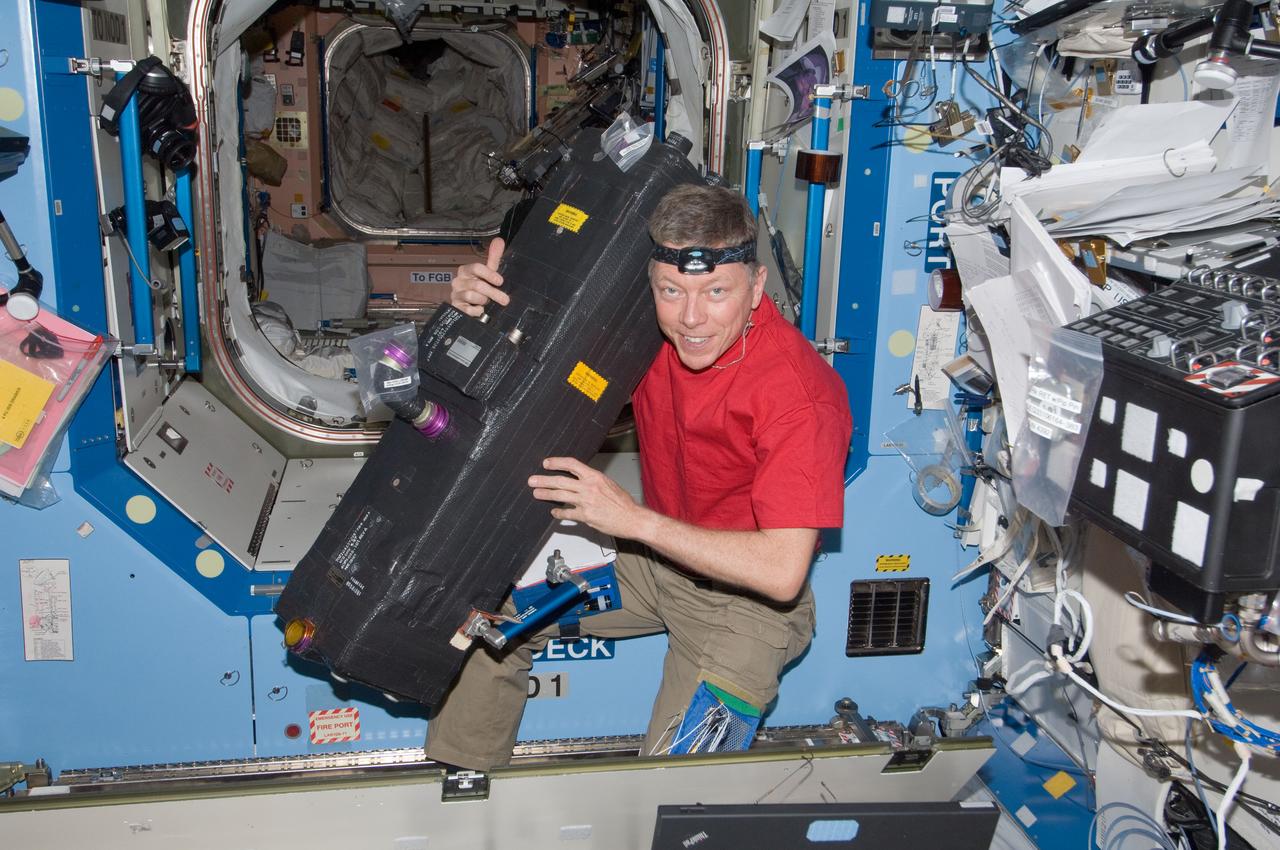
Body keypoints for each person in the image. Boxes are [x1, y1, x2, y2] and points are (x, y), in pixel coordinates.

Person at [426, 184, 852, 770]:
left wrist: (631, 521)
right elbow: (524, 381)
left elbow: (781, 574)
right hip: (657, 569)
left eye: (717, 292)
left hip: (748, 610)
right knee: (485, 616)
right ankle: (465, 776)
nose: (692, 318)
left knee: (673, 793)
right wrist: (475, 315)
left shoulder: (800, 396)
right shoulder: (650, 339)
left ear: (756, 289)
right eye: (672, 291)